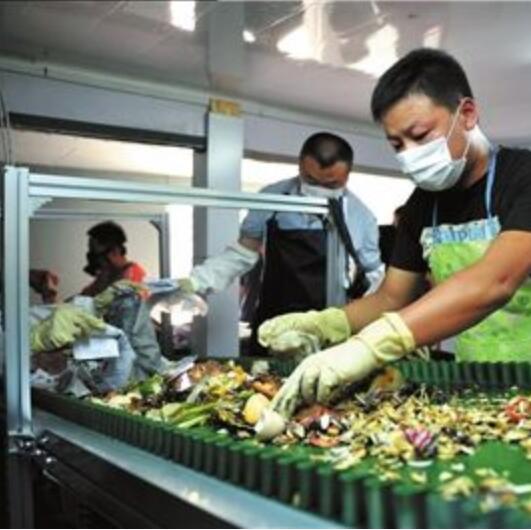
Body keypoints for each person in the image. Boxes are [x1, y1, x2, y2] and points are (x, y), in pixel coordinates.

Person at [258, 48, 531, 423]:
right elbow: (391, 297)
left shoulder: (523, 179)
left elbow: (495, 281)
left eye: (420, 135)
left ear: (467, 114)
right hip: (481, 386)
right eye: (398, 145)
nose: (410, 155)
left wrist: (372, 345)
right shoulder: (422, 205)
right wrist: (323, 324)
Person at [180, 132, 384, 353]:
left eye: (332, 183)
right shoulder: (272, 198)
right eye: (311, 180)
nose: (320, 188)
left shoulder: (361, 217)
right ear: (300, 165)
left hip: (326, 328)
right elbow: (243, 252)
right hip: (274, 322)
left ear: (347, 174)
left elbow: (375, 279)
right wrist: (197, 281)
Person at [81, 221, 146, 297]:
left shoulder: (133, 277)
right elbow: (83, 296)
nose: (97, 261)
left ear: (115, 251)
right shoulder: (107, 275)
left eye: (97, 255)